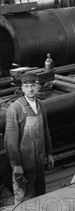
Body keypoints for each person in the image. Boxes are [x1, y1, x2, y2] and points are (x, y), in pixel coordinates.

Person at [4, 73, 54, 203]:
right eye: (26, 86)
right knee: (24, 196)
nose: (30, 89)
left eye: (33, 85)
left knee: (39, 192)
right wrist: (17, 165)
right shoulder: (15, 109)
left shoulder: (40, 105)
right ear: (22, 88)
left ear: (38, 87)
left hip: (39, 159)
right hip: (24, 161)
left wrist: (49, 153)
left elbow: (45, 130)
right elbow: (11, 142)